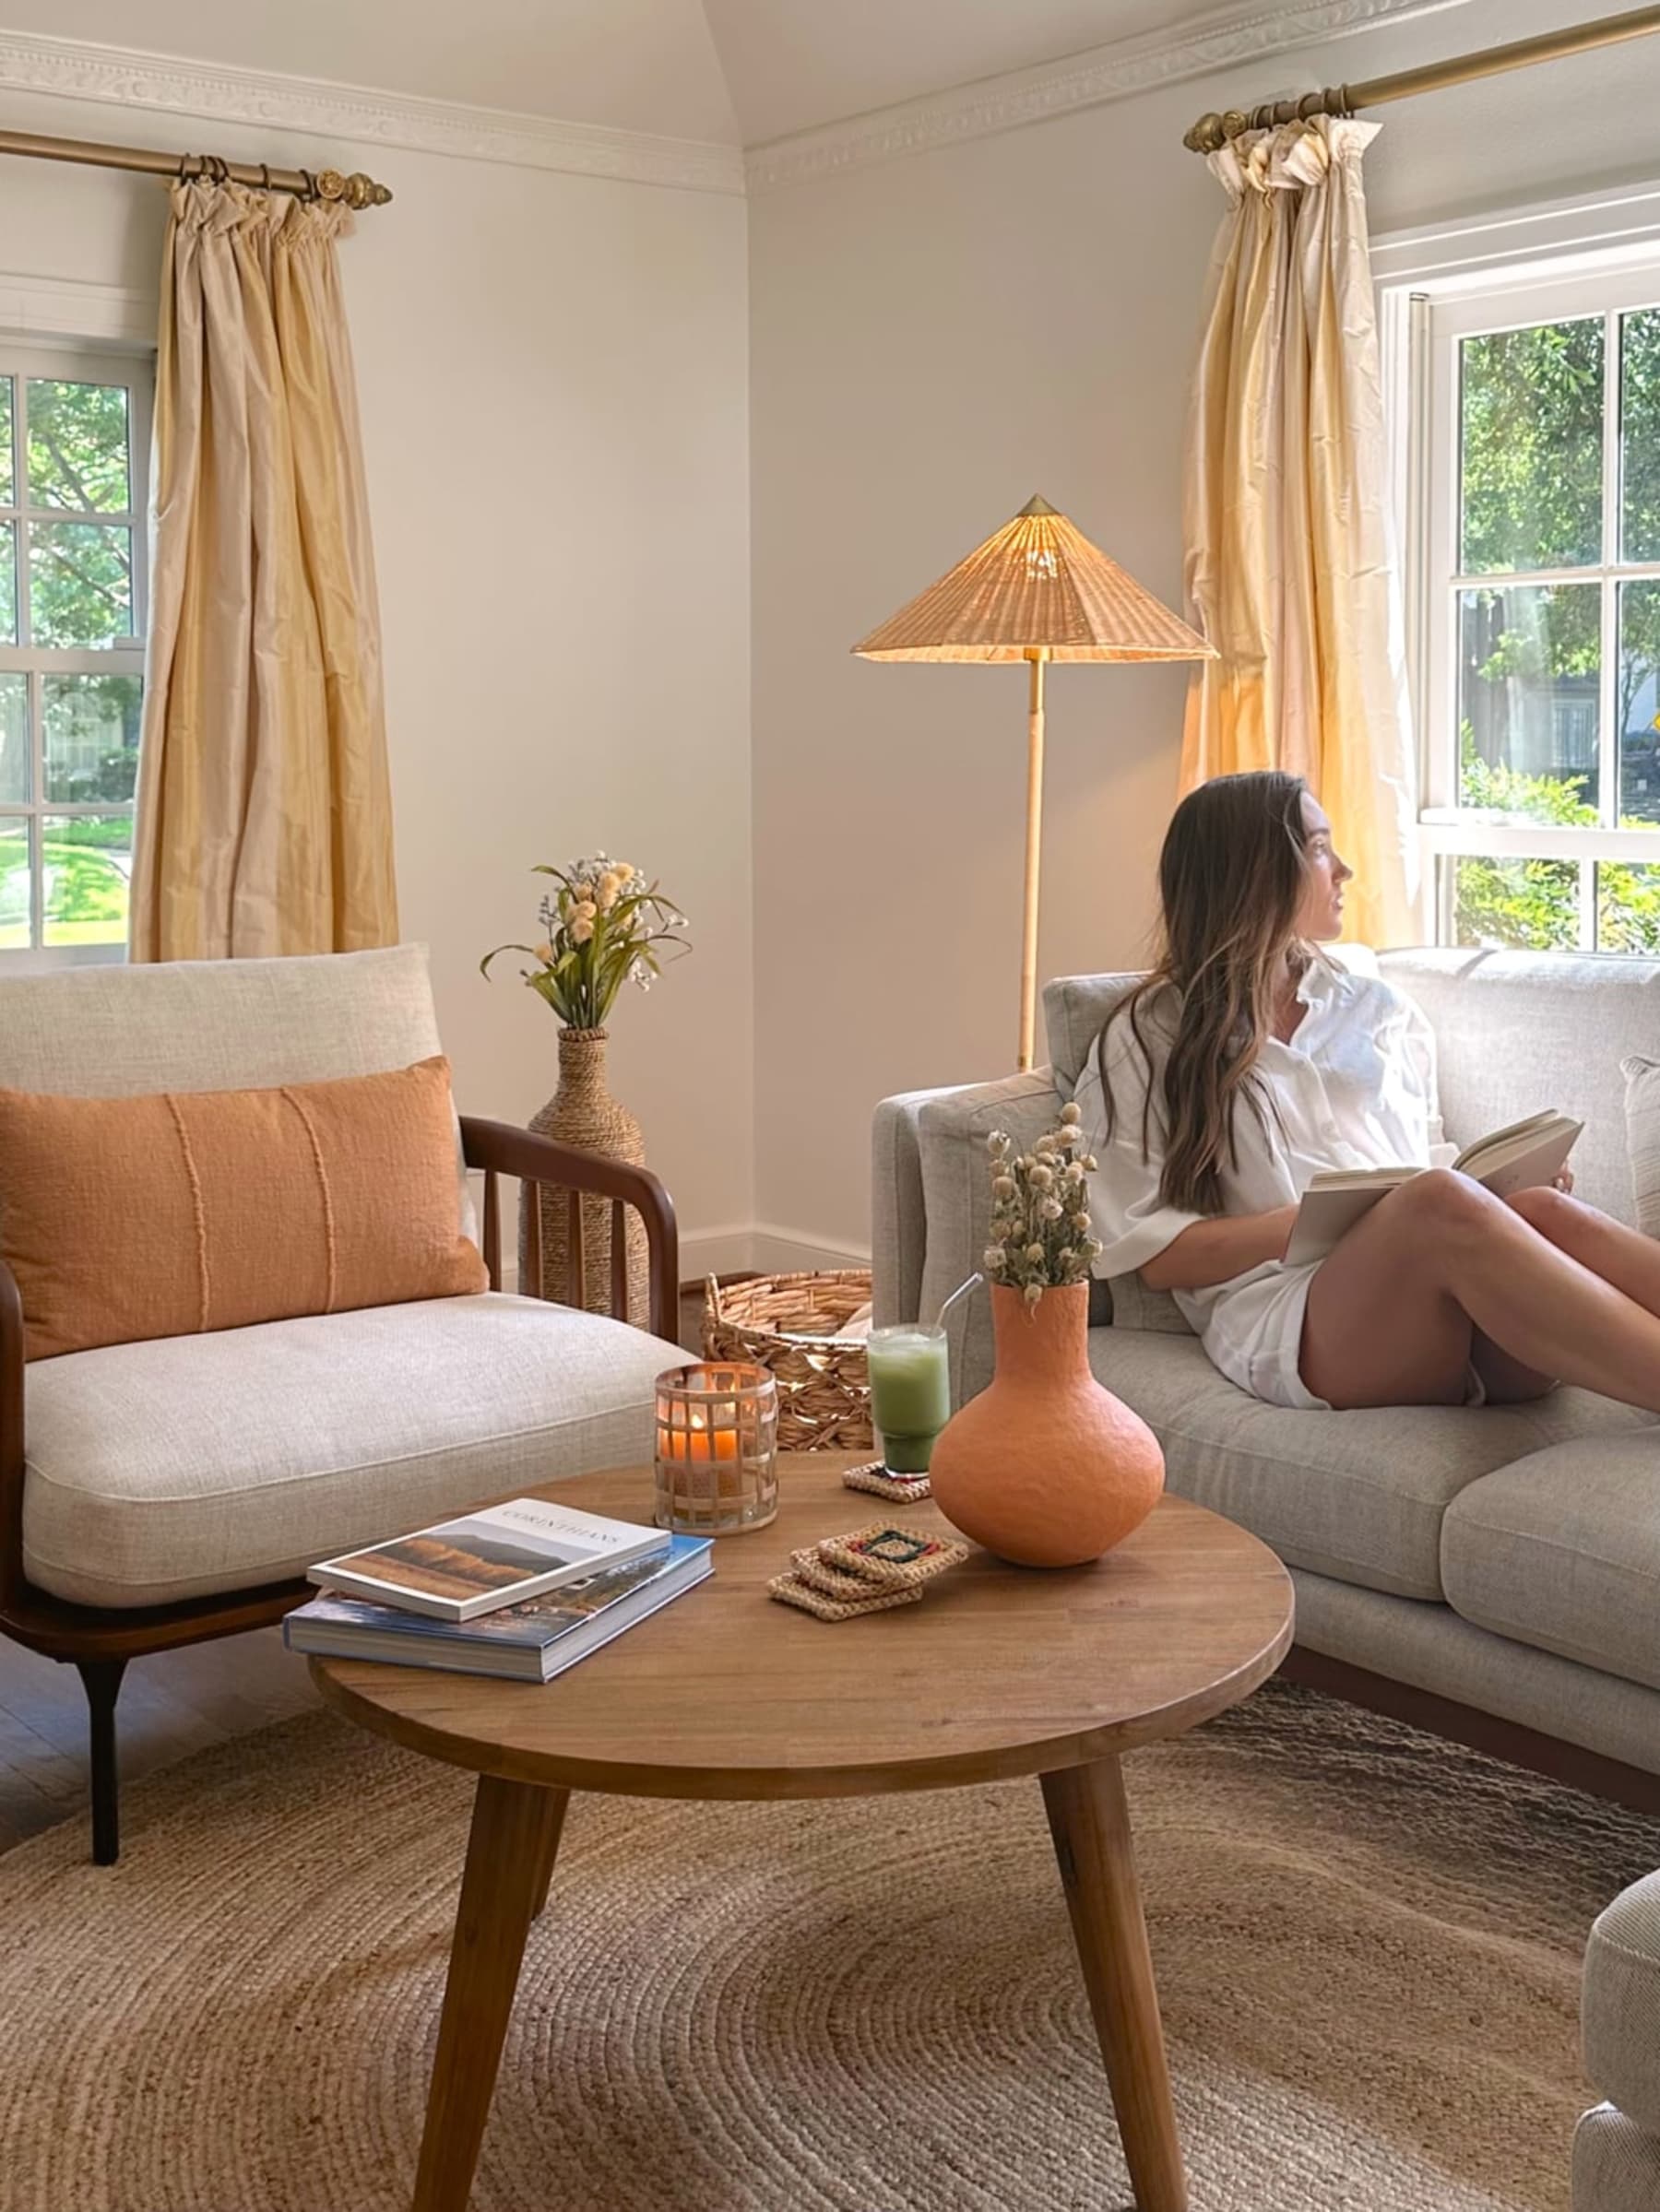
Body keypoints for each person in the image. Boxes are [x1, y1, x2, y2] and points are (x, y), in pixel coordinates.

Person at [1074, 768, 1660, 1413]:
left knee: (1539, 1214)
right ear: (1253, 872)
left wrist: (1506, 1188)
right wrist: (1313, 1222)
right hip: (1299, 1314)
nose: (1343, 868)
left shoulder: (1377, 1008)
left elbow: (1431, 1158)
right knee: (1436, 1201)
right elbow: (1156, 1257)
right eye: (1320, 847)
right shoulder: (1149, 1038)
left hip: (1448, 1290)